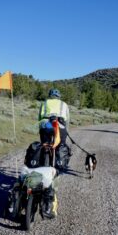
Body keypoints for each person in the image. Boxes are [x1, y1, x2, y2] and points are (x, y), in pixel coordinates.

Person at [37, 88, 70, 218]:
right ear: (59, 97)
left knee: (45, 147)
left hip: (45, 126)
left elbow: (39, 118)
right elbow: (67, 121)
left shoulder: (44, 103)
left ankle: (42, 167)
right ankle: (54, 175)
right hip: (60, 128)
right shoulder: (64, 105)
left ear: (50, 96)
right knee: (59, 147)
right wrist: (64, 134)